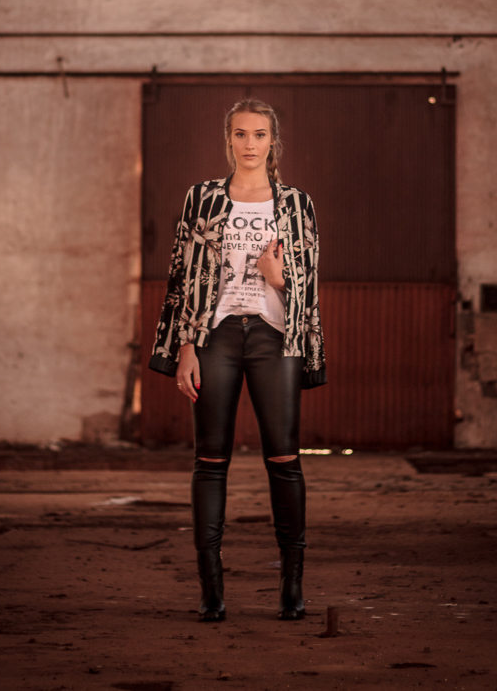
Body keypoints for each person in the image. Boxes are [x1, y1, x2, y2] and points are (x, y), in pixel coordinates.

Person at [149, 98, 326, 622]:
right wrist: (185, 346)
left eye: (260, 135)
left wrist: (279, 281)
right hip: (215, 337)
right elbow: (181, 276)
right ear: (228, 140)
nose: (250, 144)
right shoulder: (201, 199)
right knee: (210, 461)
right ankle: (211, 591)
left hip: (275, 338)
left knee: (285, 461)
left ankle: (291, 588)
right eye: (241, 134)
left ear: (274, 142)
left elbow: (309, 285)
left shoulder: (296, 204)